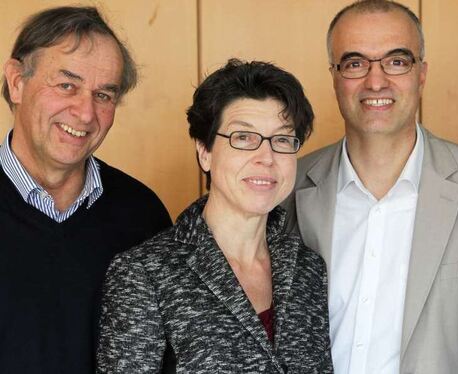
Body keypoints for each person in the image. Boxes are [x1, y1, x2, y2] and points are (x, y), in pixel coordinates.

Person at [281, 1, 458, 372]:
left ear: (421, 73)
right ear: (334, 76)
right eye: (355, 63)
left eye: (397, 61)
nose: (376, 82)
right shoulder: (286, 185)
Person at [97, 59, 333, 373]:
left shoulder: (308, 268)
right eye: (244, 138)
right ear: (205, 151)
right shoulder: (143, 273)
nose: (267, 158)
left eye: (282, 140)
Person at [0, 6, 171, 373]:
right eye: (67, 85)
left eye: (104, 95)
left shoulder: (142, 215)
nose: (85, 113)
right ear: (16, 81)